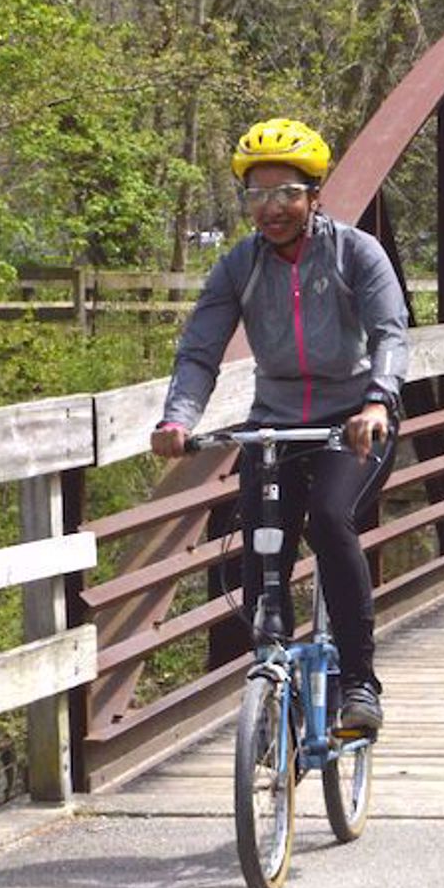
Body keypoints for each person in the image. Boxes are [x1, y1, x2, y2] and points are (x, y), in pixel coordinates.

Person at [151, 118, 409, 735]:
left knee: (327, 518)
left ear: (314, 195)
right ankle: (273, 679)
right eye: (257, 196)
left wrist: (377, 402)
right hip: (276, 424)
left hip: (354, 423)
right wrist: (177, 419)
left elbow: (389, 333)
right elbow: (199, 351)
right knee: (259, 543)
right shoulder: (240, 266)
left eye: (287, 193)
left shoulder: (355, 252)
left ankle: (359, 683)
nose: (272, 209)